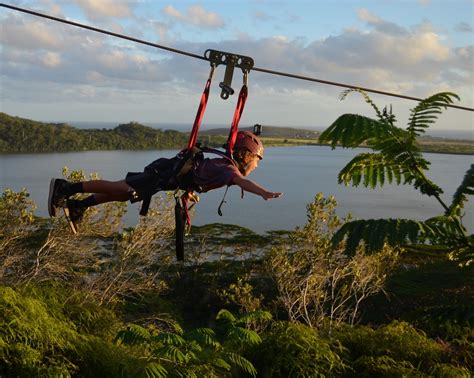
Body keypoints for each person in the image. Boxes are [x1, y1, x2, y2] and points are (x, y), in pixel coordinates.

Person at [48, 131, 283, 233]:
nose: (257, 166)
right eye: (257, 161)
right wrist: (264, 192)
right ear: (247, 155)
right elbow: (243, 183)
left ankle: (79, 205)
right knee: (121, 188)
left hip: (164, 177)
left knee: (123, 194)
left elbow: (197, 176)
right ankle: (66, 187)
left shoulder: (222, 166)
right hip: (161, 175)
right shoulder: (228, 169)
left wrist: (189, 192)